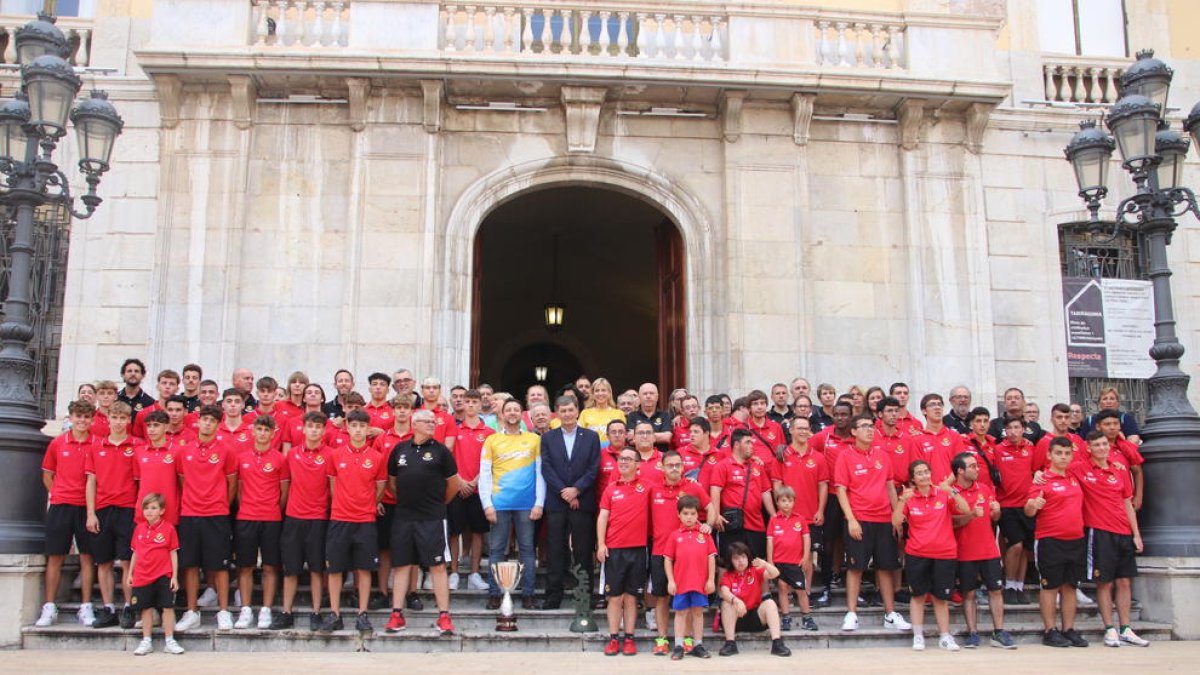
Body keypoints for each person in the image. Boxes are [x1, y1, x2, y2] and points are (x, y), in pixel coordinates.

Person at [384, 409, 461, 636]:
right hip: (404, 516)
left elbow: (453, 485)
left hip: (433, 517)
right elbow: (392, 483)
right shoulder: (400, 450)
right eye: (427, 422)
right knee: (402, 565)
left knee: (437, 566)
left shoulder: (441, 452)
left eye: (433, 422)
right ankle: (397, 615)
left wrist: (437, 504)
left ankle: (444, 616)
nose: (432, 425)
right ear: (414, 424)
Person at [834, 413, 910, 632]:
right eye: (864, 426)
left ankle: (890, 614)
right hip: (860, 519)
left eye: (871, 426)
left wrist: (896, 515)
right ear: (854, 432)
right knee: (856, 567)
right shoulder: (845, 456)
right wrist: (851, 520)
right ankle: (851, 614)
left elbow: (889, 486)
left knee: (886, 567)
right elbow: (841, 490)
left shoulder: (882, 455)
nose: (870, 430)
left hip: (884, 519)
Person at [1075, 431, 1150, 647]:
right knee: (1104, 582)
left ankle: (1126, 628)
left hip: (1123, 532)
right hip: (1098, 532)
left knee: (1125, 581)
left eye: (1104, 444)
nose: (1102, 448)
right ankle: (1109, 628)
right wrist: (1039, 476)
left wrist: (1135, 534)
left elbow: (1127, 502)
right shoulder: (1081, 468)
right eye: (1097, 445)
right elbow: (1056, 470)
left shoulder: (1119, 470)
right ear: (1088, 448)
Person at [893, 460, 970, 651]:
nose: (924, 476)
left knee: (940, 597)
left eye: (926, 472)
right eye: (919, 473)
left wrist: (951, 490)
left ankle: (945, 636)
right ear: (913, 478)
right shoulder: (908, 497)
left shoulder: (943, 493)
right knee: (918, 596)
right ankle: (918, 636)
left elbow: (965, 509)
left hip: (944, 553)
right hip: (917, 553)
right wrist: (901, 501)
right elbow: (895, 521)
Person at [174, 405, 238, 632]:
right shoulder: (185, 450)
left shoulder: (226, 450)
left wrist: (220, 503)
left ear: (218, 424)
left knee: (219, 565)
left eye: (212, 421)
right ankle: (192, 612)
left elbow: (232, 483)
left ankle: (223, 610)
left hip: (217, 514)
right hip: (190, 514)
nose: (207, 424)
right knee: (190, 565)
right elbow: (182, 481)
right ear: (198, 422)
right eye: (204, 420)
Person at [322, 409, 386, 632]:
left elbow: (379, 489)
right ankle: (334, 613)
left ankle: (362, 613)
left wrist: (367, 505)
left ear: (368, 430)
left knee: (364, 569)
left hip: (365, 520)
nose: (358, 430)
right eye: (354, 426)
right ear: (347, 428)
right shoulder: (335, 455)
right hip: (340, 518)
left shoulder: (376, 457)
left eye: (362, 426)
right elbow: (332, 486)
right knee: (335, 569)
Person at [37, 400, 98, 628]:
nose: (82, 421)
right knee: (55, 555)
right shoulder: (57, 443)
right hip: (61, 505)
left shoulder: (96, 444)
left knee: (87, 557)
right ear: (70, 417)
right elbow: (47, 474)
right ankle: (49, 606)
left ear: (92, 419)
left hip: (86, 507)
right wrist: (57, 494)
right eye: (78, 416)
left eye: (86, 417)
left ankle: (85, 606)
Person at [480, 399, 544, 610]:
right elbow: (485, 475)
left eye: (516, 409)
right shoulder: (492, 440)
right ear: (502, 414)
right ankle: (494, 593)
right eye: (509, 410)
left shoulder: (534, 440)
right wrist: (487, 504)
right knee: (497, 550)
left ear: (521, 413)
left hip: (527, 504)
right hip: (499, 503)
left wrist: (539, 503)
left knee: (527, 550)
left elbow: (540, 473)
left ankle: (528, 593)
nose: (513, 413)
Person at [647, 449, 713, 652]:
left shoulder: (693, 487)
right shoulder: (654, 489)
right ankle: (662, 640)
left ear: (683, 467)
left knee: (690, 596)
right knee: (662, 597)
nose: (674, 468)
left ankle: (686, 640)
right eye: (670, 465)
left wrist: (708, 525)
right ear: (662, 467)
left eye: (678, 465)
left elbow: (710, 507)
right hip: (661, 551)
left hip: (689, 552)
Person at [1025, 437, 1089, 648]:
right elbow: (1029, 509)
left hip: (1076, 539)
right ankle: (1050, 630)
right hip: (1050, 540)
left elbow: (1096, 457)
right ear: (1049, 455)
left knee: (1071, 586)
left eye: (1067, 453)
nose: (1063, 457)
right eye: (1059, 453)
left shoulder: (1074, 476)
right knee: (1050, 587)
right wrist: (1035, 504)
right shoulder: (1042, 480)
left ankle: (1068, 629)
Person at [948, 451, 1015, 649]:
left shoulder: (985, 489)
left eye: (977, 466)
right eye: (972, 466)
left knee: (996, 590)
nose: (977, 469)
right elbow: (951, 523)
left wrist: (997, 511)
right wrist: (970, 515)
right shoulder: (951, 492)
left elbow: (993, 518)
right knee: (968, 593)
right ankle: (973, 633)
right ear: (960, 471)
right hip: (965, 551)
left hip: (989, 549)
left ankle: (999, 631)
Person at [272, 411, 332, 630]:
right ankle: (286, 611)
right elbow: (285, 487)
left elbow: (331, 488)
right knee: (291, 569)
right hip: (294, 518)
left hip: (318, 518)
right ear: (303, 429)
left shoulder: (330, 455)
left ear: (324, 430)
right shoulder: (293, 454)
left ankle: (316, 612)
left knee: (317, 569)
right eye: (310, 426)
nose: (314, 430)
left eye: (318, 426)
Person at [84, 401, 141, 630]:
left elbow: (140, 482)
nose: (118, 422)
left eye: (122, 418)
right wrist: (90, 513)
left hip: (127, 509)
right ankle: (108, 608)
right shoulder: (96, 446)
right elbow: (91, 482)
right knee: (104, 561)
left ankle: (129, 606)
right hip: (103, 509)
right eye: (114, 418)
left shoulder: (137, 445)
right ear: (108, 419)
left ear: (129, 421)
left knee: (127, 561)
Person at [541, 396, 602, 610]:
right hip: (557, 503)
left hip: (582, 501)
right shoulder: (548, 438)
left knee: (583, 551)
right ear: (556, 413)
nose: (567, 414)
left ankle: (584, 597)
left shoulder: (591, 437)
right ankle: (553, 596)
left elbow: (594, 468)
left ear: (577, 411)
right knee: (555, 550)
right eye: (562, 410)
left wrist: (576, 489)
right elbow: (546, 468)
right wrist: (564, 492)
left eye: (570, 410)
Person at [233, 415, 290, 630]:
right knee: (245, 566)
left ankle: (266, 609)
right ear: (253, 431)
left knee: (269, 566)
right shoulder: (242, 457)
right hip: (246, 517)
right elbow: (238, 489)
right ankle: (246, 610)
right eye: (259, 429)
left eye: (267, 430)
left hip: (271, 518)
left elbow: (284, 492)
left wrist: (273, 508)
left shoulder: (279, 459)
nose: (263, 434)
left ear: (273, 433)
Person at [598, 446, 651, 656]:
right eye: (621, 459)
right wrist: (601, 544)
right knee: (614, 597)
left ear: (638, 465)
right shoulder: (611, 489)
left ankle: (629, 638)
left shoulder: (647, 487)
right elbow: (602, 517)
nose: (623, 462)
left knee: (631, 598)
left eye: (629, 459)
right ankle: (613, 638)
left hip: (638, 549)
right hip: (614, 550)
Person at [772, 416, 827, 604]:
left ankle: (806, 593)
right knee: (786, 558)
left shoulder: (818, 457)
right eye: (799, 428)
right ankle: (787, 595)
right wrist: (780, 511)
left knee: (808, 558)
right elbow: (777, 485)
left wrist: (820, 510)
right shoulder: (782, 455)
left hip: (810, 516)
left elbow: (823, 486)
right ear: (791, 431)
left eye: (806, 428)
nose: (803, 431)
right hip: (786, 517)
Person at [369, 394, 414, 610]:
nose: (403, 411)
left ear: (411, 411)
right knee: (384, 549)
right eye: (399, 407)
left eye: (406, 407)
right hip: (385, 501)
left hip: (410, 504)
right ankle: (383, 592)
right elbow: (375, 472)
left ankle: (411, 593)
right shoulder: (382, 439)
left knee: (410, 550)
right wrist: (375, 499)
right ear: (393, 411)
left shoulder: (418, 437)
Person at [126, 493, 184, 656]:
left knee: (167, 607)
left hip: (163, 574)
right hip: (143, 575)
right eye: (146, 508)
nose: (149, 511)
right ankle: (146, 640)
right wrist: (130, 573)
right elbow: (135, 553)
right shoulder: (139, 528)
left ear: (162, 510)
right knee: (145, 608)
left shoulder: (168, 528)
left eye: (153, 508)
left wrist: (174, 576)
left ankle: (170, 640)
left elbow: (173, 553)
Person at [448, 389, 494, 592]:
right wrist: (460, 481)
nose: (471, 405)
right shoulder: (454, 430)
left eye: (475, 402)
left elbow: (490, 463)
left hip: (478, 489)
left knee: (478, 532)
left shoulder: (489, 434)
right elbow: (448, 458)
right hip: (457, 487)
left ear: (480, 404)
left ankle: (475, 573)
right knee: (454, 531)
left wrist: (474, 482)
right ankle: (455, 572)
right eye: (467, 401)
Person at [663, 494, 716, 660]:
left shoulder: (705, 535)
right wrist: (671, 580)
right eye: (685, 513)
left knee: (698, 613)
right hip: (681, 583)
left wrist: (711, 579)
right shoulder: (674, 536)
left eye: (693, 513)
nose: (689, 517)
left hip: (700, 583)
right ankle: (679, 645)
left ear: (697, 515)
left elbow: (711, 557)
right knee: (680, 613)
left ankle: (698, 644)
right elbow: (668, 559)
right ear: (679, 514)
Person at [716, 542, 790, 657]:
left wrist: (765, 564)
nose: (740, 561)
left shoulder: (755, 571)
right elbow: (724, 592)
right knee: (726, 604)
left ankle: (777, 643)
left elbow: (775, 573)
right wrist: (736, 601)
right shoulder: (728, 575)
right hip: (737, 617)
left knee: (770, 603)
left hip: (755, 616)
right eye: (736, 558)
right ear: (731, 561)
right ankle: (730, 644)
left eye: (743, 557)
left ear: (748, 557)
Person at [711, 428, 774, 559]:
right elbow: (716, 489)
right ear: (737, 445)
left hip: (756, 523)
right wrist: (716, 514)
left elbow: (765, 492)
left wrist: (773, 515)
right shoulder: (723, 465)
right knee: (728, 564)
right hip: (732, 524)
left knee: (758, 564)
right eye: (748, 442)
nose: (752, 446)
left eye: (752, 442)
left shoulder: (757, 466)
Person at [995, 415, 1037, 606]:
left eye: (1017, 427)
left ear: (1023, 429)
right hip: (1007, 505)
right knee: (1015, 545)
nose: (1013, 431)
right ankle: (1009, 584)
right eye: (1009, 428)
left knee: (1026, 549)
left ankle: (1019, 586)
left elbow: (1037, 471)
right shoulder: (998, 449)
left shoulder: (1030, 448)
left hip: (1027, 505)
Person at [767, 486, 816, 632]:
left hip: (795, 562)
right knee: (782, 588)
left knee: (801, 590)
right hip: (779, 561)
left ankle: (806, 618)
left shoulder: (800, 519)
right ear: (777, 502)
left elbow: (806, 539)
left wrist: (806, 557)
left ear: (794, 502)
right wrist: (770, 561)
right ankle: (786, 618)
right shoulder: (773, 520)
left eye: (789, 500)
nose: (786, 504)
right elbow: (770, 541)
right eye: (783, 500)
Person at [1093, 409, 1146, 511]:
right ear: (1098, 427)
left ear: (1120, 426)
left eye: (1115, 423)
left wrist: (1138, 497)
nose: (1112, 427)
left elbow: (1137, 471)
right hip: (1101, 503)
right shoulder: (1090, 447)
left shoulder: (1126, 447)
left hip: (1125, 502)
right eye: (1107, 424)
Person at [130, 369, 181, 439]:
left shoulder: (180, 414)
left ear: (177, 389)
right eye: (164, 383)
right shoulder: (143, 414)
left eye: (171, 384)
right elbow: (137, 440)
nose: (167, 387)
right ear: (157, 386)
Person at [627, 382, 673, 447]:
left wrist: (639, 435)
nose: (648, 396)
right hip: (638, 455)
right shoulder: (632, 416)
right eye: (645, 394)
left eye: (651, 393)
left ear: (657, 397)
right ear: (639, 398)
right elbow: (631, 440)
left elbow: (667, 438)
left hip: (660, 455)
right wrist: (659, 436)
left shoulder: (665, 415)